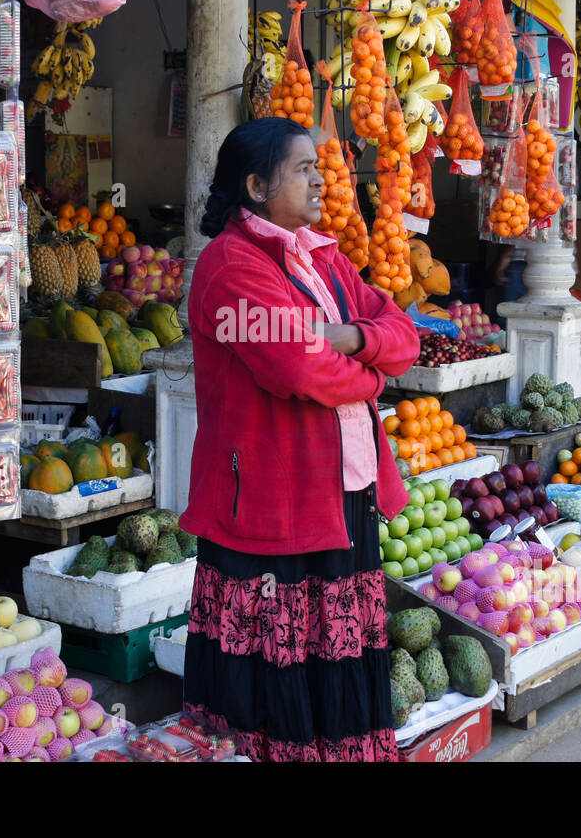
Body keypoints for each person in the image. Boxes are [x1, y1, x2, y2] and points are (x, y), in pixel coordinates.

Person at [179, 117, 420, 761]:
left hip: (346, 489)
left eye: (318, 165)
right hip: (270, 497)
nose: (321, 178)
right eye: (302, 168)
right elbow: (296, 368)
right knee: (274, 666)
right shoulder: (230, 266)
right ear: (257, 186)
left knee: (335, 653)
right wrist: (370, 378)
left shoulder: (326, 256)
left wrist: (352, 338)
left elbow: (403, 334)